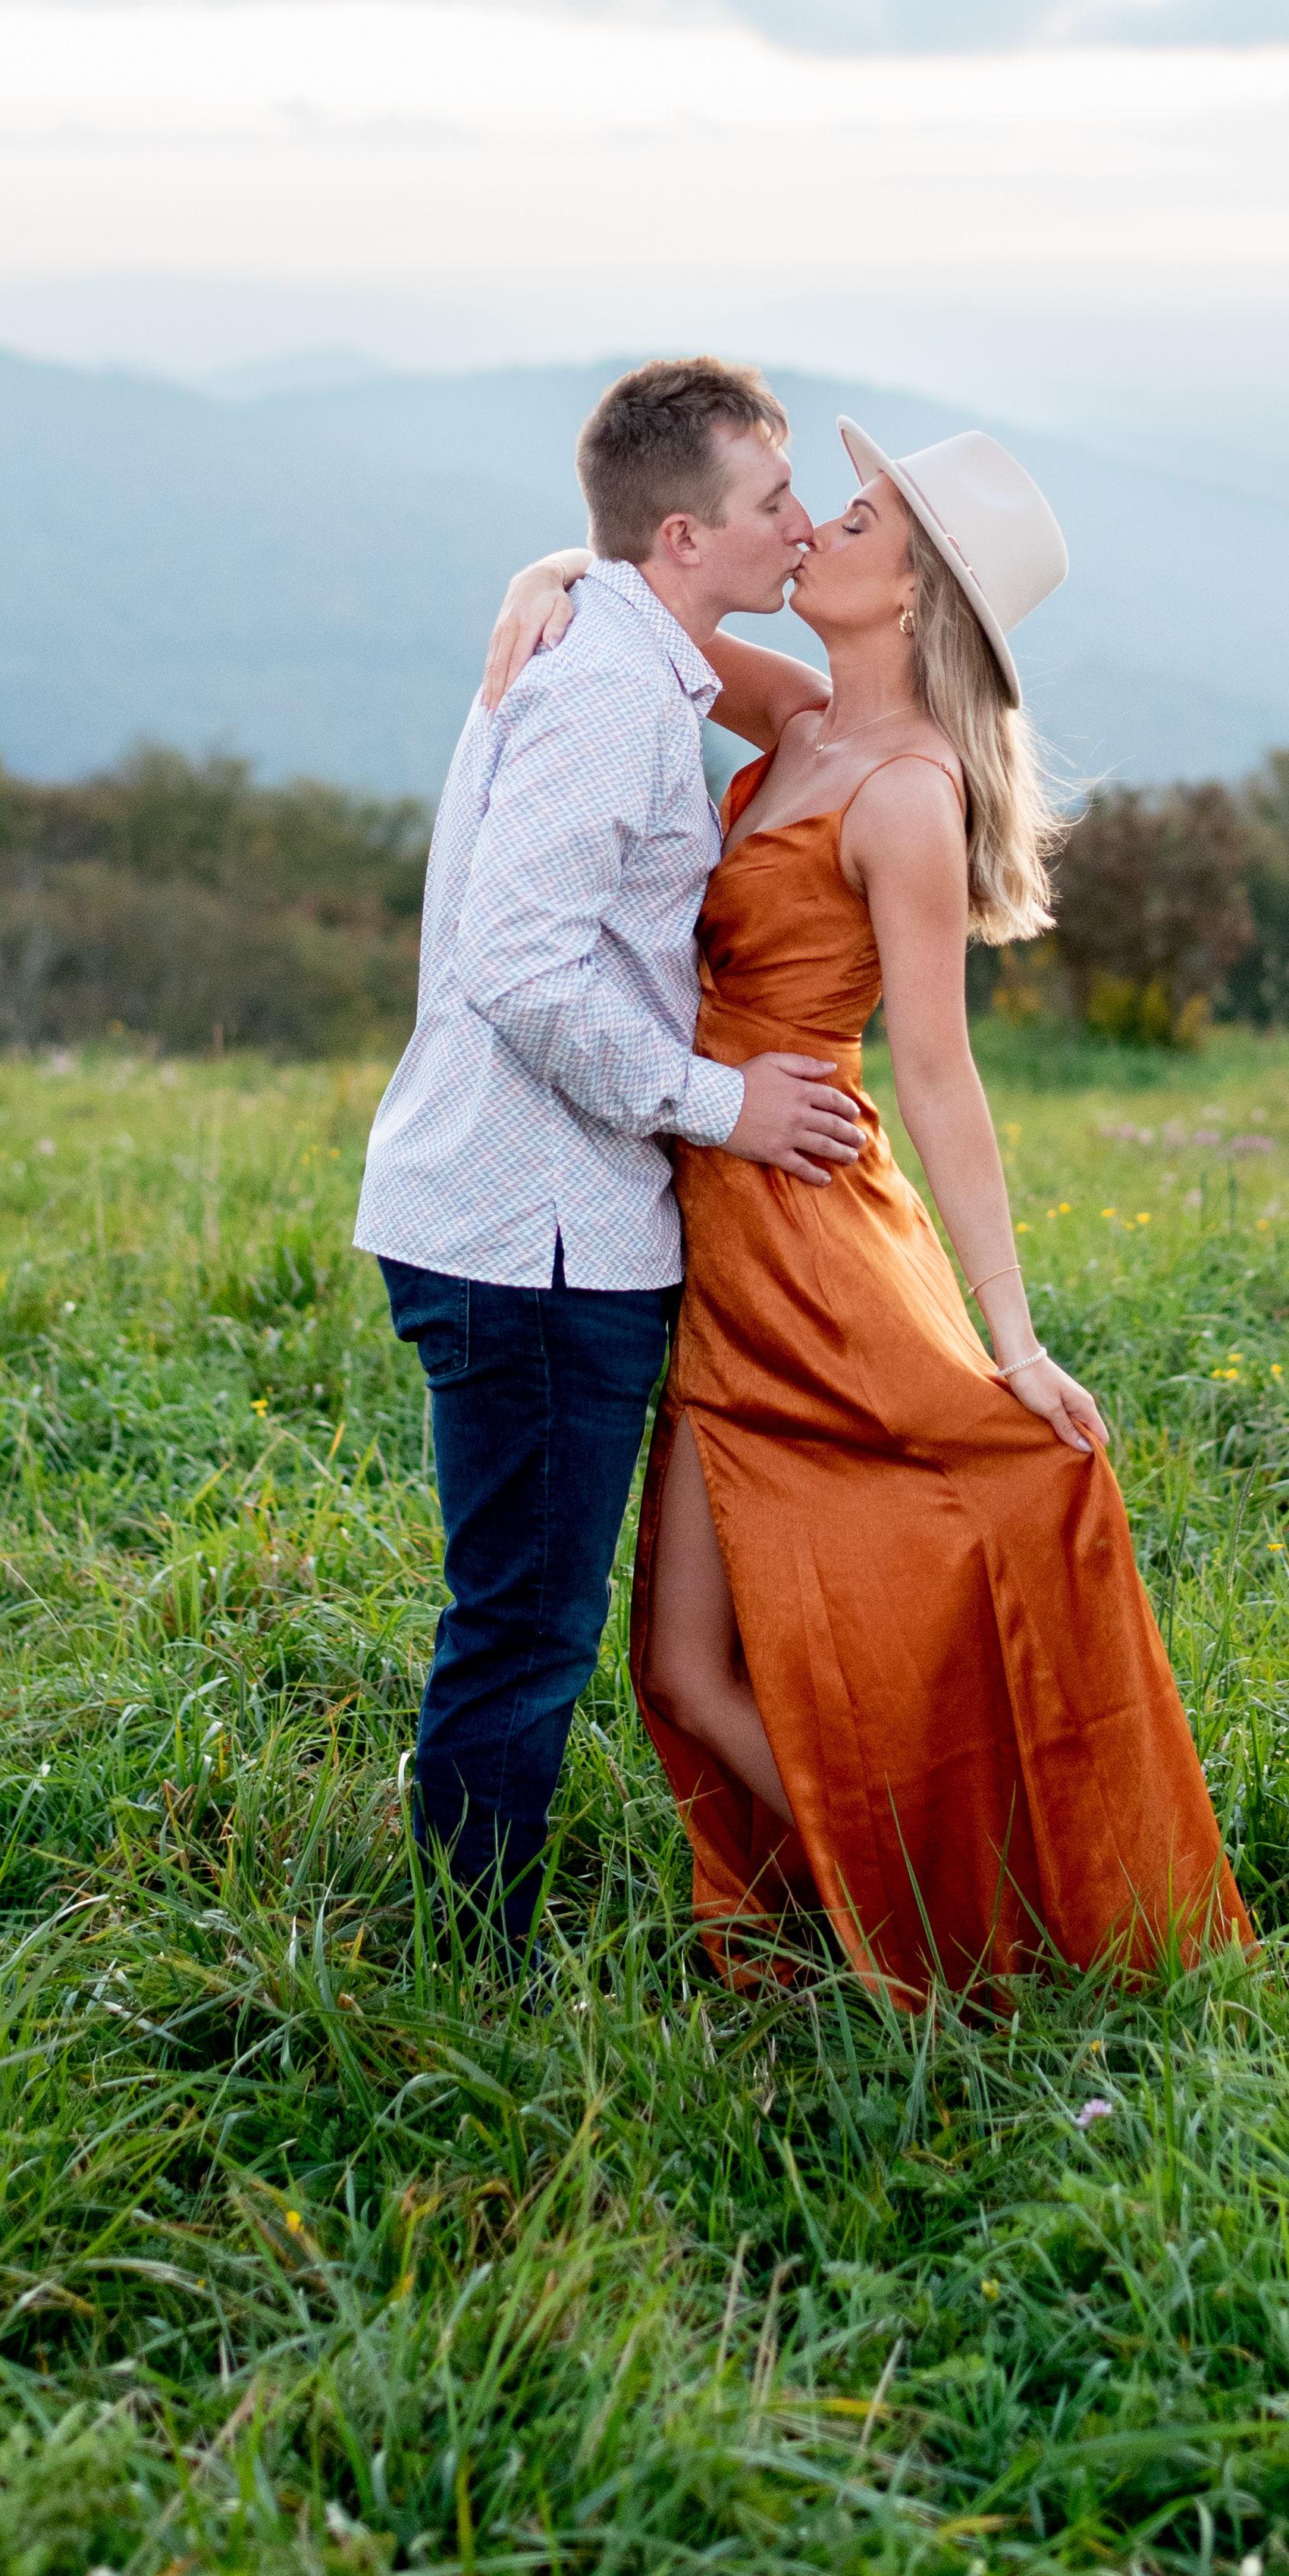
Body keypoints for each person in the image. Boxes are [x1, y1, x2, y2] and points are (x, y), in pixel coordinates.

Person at [478, 415, 1251, 2007]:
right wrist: (549, 565)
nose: (815, 526)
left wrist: (1013, 1337)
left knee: (710, 1660)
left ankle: (957, 1959)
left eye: (856, 515)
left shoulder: (904, 791)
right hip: (709, 1227)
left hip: (809, 1249)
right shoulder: (801, 712)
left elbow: (939, 1076)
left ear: (913, 594)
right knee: (685, 1674)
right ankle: (929, 1930)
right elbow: (650, 611)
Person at [350, 358, 874, 1952]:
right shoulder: (598, 687)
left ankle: (468, 1931)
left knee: (522, 1613)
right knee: (522, 1625)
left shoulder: (628, 649)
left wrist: (558, 561)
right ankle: (467, 1967)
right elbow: (521, 970)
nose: (795, 526)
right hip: (533, 1239)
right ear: (679, 533)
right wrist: (726, 1106)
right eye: (769, 501)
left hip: (533, 1225)